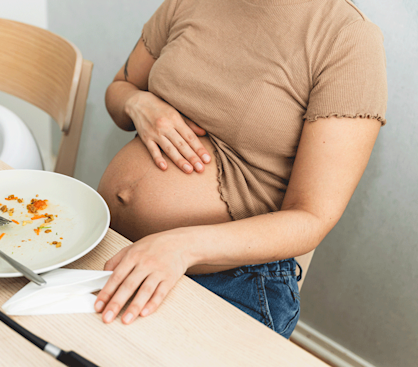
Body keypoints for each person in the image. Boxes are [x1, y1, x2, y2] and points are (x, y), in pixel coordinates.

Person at [95, 0, 387, 338]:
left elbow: (311, 217)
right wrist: (138, 102)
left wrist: (180, 246)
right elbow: (119, 90)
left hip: (232, 277)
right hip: (113, 242)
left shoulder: (348, 38)